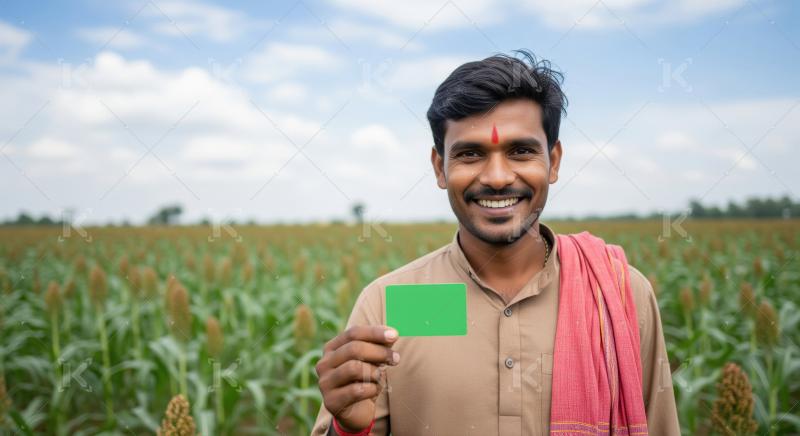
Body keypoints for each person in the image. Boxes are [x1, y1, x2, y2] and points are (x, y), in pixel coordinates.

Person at [311, 49, 680, 435]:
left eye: (521, 151)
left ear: (553, 162)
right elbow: (353, 421)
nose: (499, 177)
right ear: (440, 168)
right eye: (470, 154)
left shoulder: (620, 296)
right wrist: (349, 428)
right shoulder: (396, 303)